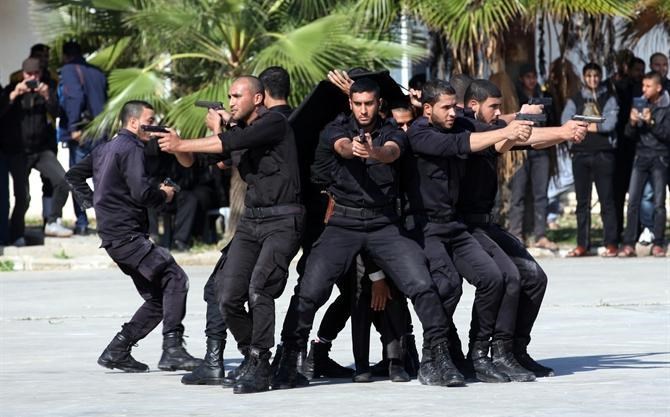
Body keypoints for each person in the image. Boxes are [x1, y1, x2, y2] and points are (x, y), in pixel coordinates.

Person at [274, 78, 464, 390]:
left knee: (422, 284)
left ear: (379, 104)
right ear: (350, 104)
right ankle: (289, 357)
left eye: (369, 104)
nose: (363, 110)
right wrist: (354, 148)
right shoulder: (335, 129)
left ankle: (437, 357)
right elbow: (342, 146)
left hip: (384, 223)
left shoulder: (392, 131)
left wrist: (373, 151)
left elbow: (391, 152)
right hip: (343, 223)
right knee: (310, 290)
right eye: (358, 104)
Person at [157, 76, 304, 394]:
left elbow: (228, 143)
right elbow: (196, 160)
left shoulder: (274, 123)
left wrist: (187, 142)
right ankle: (254, 355)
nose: (232, 101)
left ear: (259, 98)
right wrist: (178, 145)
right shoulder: (239, 133)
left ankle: (261, 363)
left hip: (283, 219)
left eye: (238, 96)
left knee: (260, 289)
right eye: (230, 97)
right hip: (251, 222)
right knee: (226, 294)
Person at [403, 79, 537, 383]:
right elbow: (461, 145)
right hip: (425, 227)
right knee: (448, 285)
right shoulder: (419, 133)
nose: (453, 113)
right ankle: (433, 356)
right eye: (446, 108)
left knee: (493, 278)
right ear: (427, 109)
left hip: (455, 224)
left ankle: (478, 356)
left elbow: (496, 133)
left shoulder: (459, 125)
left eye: (455, 106)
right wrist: (506, 132)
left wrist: (558, 131)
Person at [458, 79, 587, 378]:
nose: (498, 112)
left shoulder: (491, 127)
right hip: (463, 226)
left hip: (486, 224)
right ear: (472, 105)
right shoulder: (464, 129)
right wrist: (563, 131)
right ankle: (482, 353)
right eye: (493, 106)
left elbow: (526, 139)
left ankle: (513, 350)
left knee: (535, 277)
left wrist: (546, 126)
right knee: (506, 277)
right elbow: (518, 136)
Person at [64, 100, 200, 373]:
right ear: (134, 122)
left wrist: (96, 203)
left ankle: (117, 350)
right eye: (149, 120)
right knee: (176, 278)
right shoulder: (132, 148)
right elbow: (141, 194)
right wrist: (164, 194)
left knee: (159, 297)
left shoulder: (105, 148)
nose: (153, 126)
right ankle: (173, 350)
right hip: (127, 236)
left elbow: (73, 175)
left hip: (114, 236)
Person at [0, 57, 73, 243]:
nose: (32, 78)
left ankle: (52, 221)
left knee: (63, 181)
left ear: (40, 74)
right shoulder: (11, 90)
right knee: (23, 197)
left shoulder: (46, 90)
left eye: (36, 74)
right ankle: (17, 234)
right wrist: (14, 95)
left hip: (41, 151)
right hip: (18, 152)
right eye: (29, 74)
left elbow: (58, 113)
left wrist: (47, 96)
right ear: (22, 74)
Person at [561, 62, 620, 257]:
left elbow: (610, 124)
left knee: (607, 201)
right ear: (584, 77)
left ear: (600, 77)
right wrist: (595, 124)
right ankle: (582, 245)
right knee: (582, 203)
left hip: (603, 154)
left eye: (596, 76)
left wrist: (582, 125)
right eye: (589, 76)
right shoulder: (575, 99)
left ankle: (611, 243)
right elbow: (566, 122)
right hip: (580, 154)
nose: (593, 79)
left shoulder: (609, 97)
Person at [58, 40, 108, 235]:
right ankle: (105, 220)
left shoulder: (69, 69)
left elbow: (75, 97)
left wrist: (73, 127)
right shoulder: (97, 72)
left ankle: (82, 222)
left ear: (65, 56)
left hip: (82, 132)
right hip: (101, 131)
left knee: (77, 177)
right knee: (101, 179)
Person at [618, 71, 670, 258]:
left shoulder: (667, 106)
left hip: (660, 158)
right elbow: (628, 135)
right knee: (633, 201)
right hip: (640, 157)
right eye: (643, 86)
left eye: (648, 86)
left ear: (658, 87)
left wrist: (651, 121)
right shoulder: (640, 103)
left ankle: (658, 243)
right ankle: (628, 243)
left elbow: (667, 135)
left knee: (658, 203)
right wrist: (632, 123)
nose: (644, 89)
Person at [508, 64, 557, 250]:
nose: (532, 80)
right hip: (519, 150)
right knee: (518, 194)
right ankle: (515, 234)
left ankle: (540, 235)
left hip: (540, 149)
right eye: (528, 77)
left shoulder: (544, 96)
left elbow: (552, 120)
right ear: (522, 78)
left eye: (534, 76)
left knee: (541, 194)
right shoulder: (514, 96)